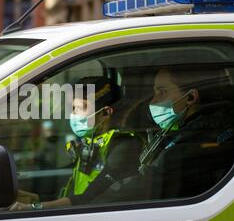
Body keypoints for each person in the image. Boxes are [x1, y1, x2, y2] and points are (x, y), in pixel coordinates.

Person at [91, 66, 234, 204]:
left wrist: (88, 205)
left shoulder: (196, 141)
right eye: (154, 93)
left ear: (191, 98)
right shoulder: (180, 131)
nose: (153, 101)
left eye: (162, 92)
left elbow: (146, 184)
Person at [10, 76, 144, 211]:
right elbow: (73, 190)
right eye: (73, 108)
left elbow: (87, 197)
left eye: (80, 108)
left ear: (105, 113)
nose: (73, 114)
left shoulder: (124, 146)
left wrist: (35, 207)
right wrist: (36, 198)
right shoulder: (92, 142)